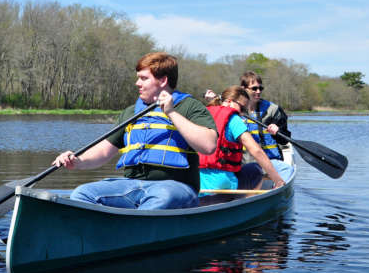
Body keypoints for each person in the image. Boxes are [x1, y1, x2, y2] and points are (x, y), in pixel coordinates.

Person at [52, 52, 218, 210]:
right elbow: (103, 151)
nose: (137, 83)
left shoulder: (189, 106)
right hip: (132, 185)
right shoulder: (131, 112)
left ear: (162, 81)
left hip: (175, 187)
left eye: (143, 78)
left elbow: (208, 145)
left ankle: (134, 230)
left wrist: (171, 113)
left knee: (161, 197)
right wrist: (76, 160)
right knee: (82, 194)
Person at [199, 86, 285, 191]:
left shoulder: (203, 116)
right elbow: (256, 150)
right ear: (230, 102)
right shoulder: (234, 119)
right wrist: (277, 180)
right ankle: (248, 200)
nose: (243, 113)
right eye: (242, 108)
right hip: (222, 183)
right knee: (255, 169)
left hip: (198, 182)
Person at [240, 71, 294, 182]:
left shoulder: (273, 110)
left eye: (260, 88)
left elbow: (284, 141)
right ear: (244, 89)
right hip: (243, 164)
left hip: (270, 162)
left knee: (288, 169)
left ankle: (277, 187)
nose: (258, 92)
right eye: (254, 88)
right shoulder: (234, 110)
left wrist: (278, 132)